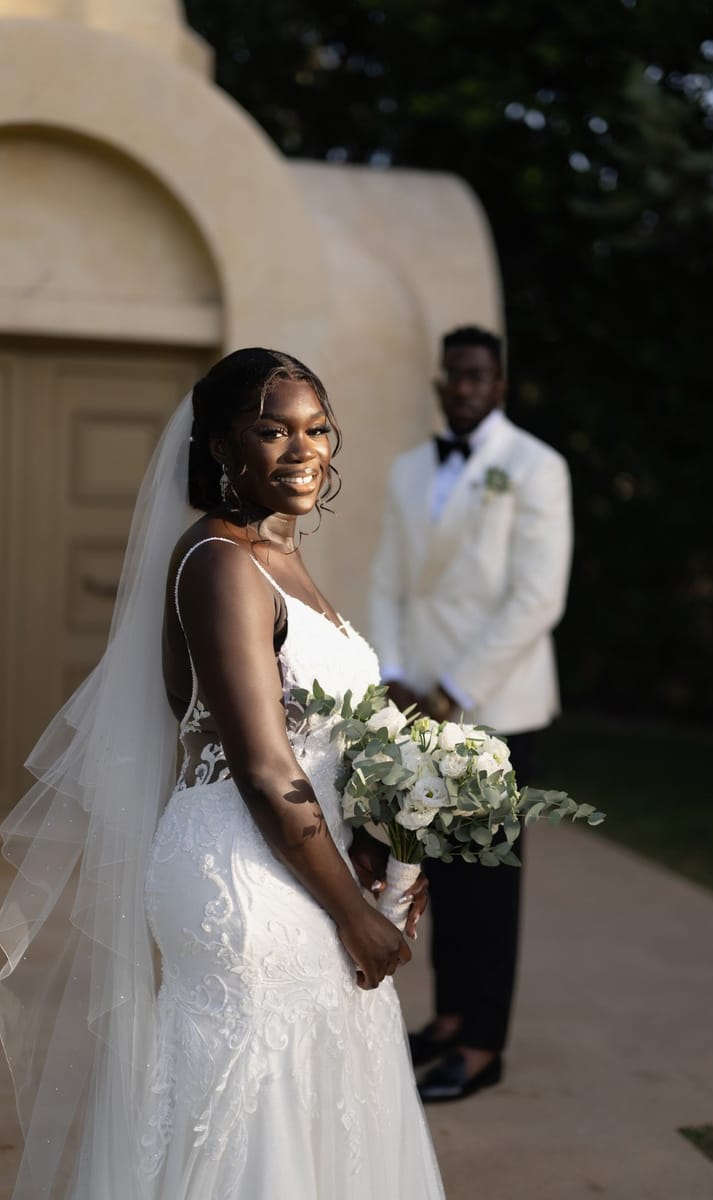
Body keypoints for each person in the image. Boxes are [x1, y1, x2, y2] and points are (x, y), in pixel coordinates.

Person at [0, 348, 445, 1199]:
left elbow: (321, 743)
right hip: (241, 877)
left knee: (330, 1102)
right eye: (272, 431)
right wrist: (356, 914)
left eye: (317, 430)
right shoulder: (219, 564)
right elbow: (264, 763)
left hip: (305, 858)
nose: (303, 449)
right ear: (219, 448)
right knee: (252, 1113)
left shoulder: (281, 557)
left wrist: (379, 848)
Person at [369, 325, 572, 1103]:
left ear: (500, 383)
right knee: (439, 873)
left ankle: (484, 1046)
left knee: (487, 880)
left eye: (479, 375)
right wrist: (391, 675)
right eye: (454, 375)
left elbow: (537, 598)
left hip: (493, 704)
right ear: (439, 384)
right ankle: (451, 1018)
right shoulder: (409, 468)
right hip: (415, 701)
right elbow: (387, 578)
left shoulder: (536, 467)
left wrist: (453, 688)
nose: (464, 387)